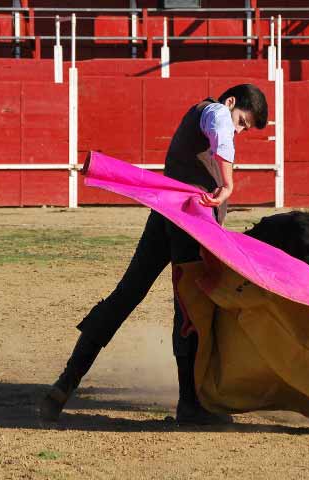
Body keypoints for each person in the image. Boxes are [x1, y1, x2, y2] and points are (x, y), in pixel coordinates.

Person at [39, 84, 268, 424]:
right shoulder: (216, 112)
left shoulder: (202, 118)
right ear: (231, 103)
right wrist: (229, 184)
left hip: (164, 217)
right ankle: (190, 404)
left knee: (126, 294)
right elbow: (222, 132)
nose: (237, 130)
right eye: (242, 122)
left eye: (243, 129)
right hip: (186, 224)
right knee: (189, 309)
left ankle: (64, 384)